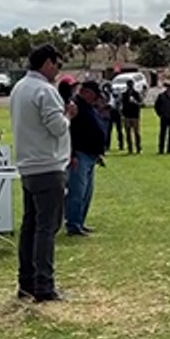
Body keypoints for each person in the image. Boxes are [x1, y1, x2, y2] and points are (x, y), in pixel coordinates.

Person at [10, 44, 76, 302]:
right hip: (48, 165)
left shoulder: (18, 88)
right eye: (57, 65)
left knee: (30, 227)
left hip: (28, 165)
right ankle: (44, 286)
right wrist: (68, 115)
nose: (58, 71)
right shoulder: (45, 91)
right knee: (46, 229)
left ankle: (26, 282)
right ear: (47, 63)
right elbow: (57, 127)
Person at [65, 80, 106, 236]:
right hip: (79, 155)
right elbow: (69, 132)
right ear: (86, 92)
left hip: (90, 155)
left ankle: (80, 221)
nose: (95, 99)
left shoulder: (88, 107)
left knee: (87, 192)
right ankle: (73, 224)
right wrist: (72, 154)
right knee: (77, 192)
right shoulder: (75, 107)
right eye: (94, 95)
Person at [120, 81, 143, 154]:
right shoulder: (124, 94)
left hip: (135, 115)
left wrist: (135, 102)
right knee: (128, 133)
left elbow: (141, 103)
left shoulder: (136, 94)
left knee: (136, 133)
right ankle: (130, 148)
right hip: (127, 115)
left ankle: (138, 148)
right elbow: (122, 104)